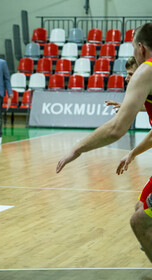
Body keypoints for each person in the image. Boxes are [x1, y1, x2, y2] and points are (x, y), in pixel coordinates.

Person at [56, 23, 152, 263]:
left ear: (141, 48)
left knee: (139, 221)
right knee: (140, 207)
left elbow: (116, 128)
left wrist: (77, 148)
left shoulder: (147, 70)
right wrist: (133, 153)